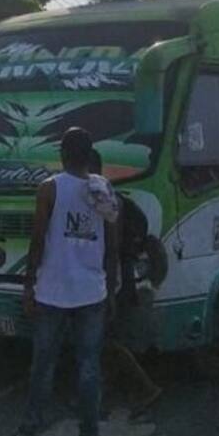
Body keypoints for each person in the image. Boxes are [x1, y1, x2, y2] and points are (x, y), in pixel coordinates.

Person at [10, 127, 118, 436]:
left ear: (62, 154)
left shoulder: (49, 189)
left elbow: (37, 240)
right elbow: (112, 243)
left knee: (43, 364)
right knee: (89, 366)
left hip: (52, 291)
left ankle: (30, 432)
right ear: (89, 155)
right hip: (91, 291)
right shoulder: (103, 189)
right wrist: (111, 288)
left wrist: (29, 284)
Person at [87, 149, 162, 419]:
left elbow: (112, 249)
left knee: (106, 342)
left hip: (113, 281)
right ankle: (103, 399)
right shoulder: (96, 198)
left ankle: (145, 389)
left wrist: (108, 291)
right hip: (107, 280)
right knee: (104, 343)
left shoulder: (109, 201)